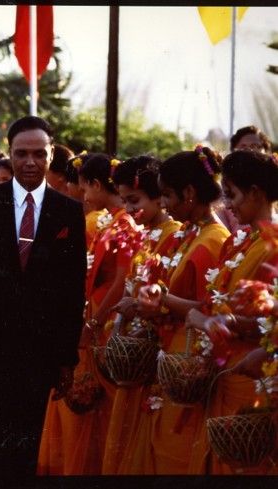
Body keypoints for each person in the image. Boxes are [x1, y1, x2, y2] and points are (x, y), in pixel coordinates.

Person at [0, 115, 86, 477]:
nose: (30, 162)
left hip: (39, 356)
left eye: (39, 154)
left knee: (26, 448)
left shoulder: (69, 211)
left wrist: (66, 359)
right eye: (21, 153)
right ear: (9, 154)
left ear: (51, 154)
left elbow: (73, 290)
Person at [39, 152, 141, 475]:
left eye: (85, 189)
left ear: (97, 185)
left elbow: (122, 281)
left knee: (103, 401)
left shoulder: (122, 222)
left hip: (109, 318)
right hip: (97, 313)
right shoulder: (110, 220)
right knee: (91, 399)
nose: (82, 197)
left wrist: (96, 320)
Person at [130, 145, 229, 474]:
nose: (165, 205)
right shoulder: (190, 233)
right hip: (171, 356)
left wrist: (160, 299)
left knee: (177, 450)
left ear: (189, 193)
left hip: (189, 363)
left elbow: (209, 311)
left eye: (168, 195)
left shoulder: (214, 240)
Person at [181, 150, 278, 474]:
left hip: (252, 376)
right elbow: (217, 304)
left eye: (232, 194)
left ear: (255, 192)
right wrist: (207, 319)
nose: (228, 206)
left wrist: (229, 323)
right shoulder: (240, 242)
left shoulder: (274, 246)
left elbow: (271, 323)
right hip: (226, 374)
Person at [101, 155, 183, 474]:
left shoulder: (174, 234)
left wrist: (139, 307)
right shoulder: (147, 233)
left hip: (157, 346)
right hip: (137, 345)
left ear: (159, 196)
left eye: (134, 201)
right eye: (124, 202)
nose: (130, 210)